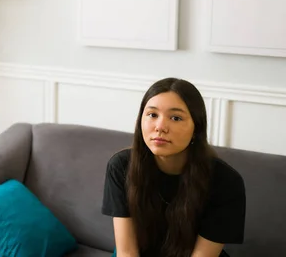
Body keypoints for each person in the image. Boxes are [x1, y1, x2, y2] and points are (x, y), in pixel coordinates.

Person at [102, 78, 246, 257]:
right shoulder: (122, 167)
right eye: (152, 115)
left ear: (196, 128)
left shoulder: (225, 182)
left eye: (176, 118)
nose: (160, 127)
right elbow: (127, 251)